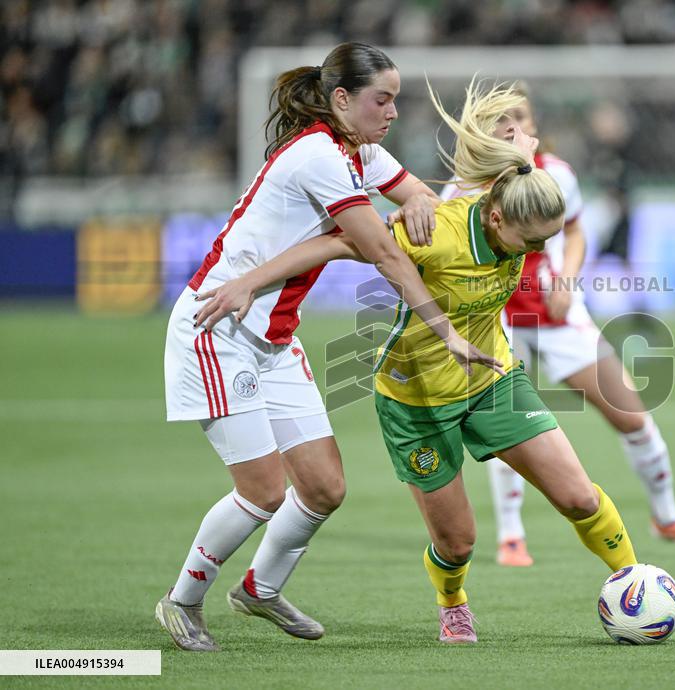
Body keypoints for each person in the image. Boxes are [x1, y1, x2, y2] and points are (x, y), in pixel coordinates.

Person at [194, 79, 675, 644]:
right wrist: (248, 281)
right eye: (529, 244)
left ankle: (636, 578)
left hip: (492, 378)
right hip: (416, 402)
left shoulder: (521, 200)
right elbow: (340, 243)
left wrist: (517, 141)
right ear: (494, 220)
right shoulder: (434, 232)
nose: (534, 255)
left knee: (579, 495)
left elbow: (523, 179)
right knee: (458, 542)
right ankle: (452, 600)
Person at [156, 42, 502, 653]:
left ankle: (260, 589)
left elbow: (421, 193)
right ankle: (182, 601)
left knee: (323, 489)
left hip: (274, 339)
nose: (392, 112)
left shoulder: (359, 151)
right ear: (341, 99)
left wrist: (420, 200)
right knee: (263, 491)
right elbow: (383, 253)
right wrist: (445, 330)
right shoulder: (318, 156)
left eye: (395, 99)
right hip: (219, 328)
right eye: (382, 99)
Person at [441, 84, 675, 566]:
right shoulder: (465, 190)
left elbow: (574, 231)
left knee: (631, 414)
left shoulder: (557, 178)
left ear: (535, 128)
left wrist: (568, 279)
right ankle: (512, 534)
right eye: (502, 123)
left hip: (555, 315)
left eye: (522, 119)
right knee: (511, 427)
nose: (514, 129)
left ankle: (667, 516)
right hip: (496, 322)